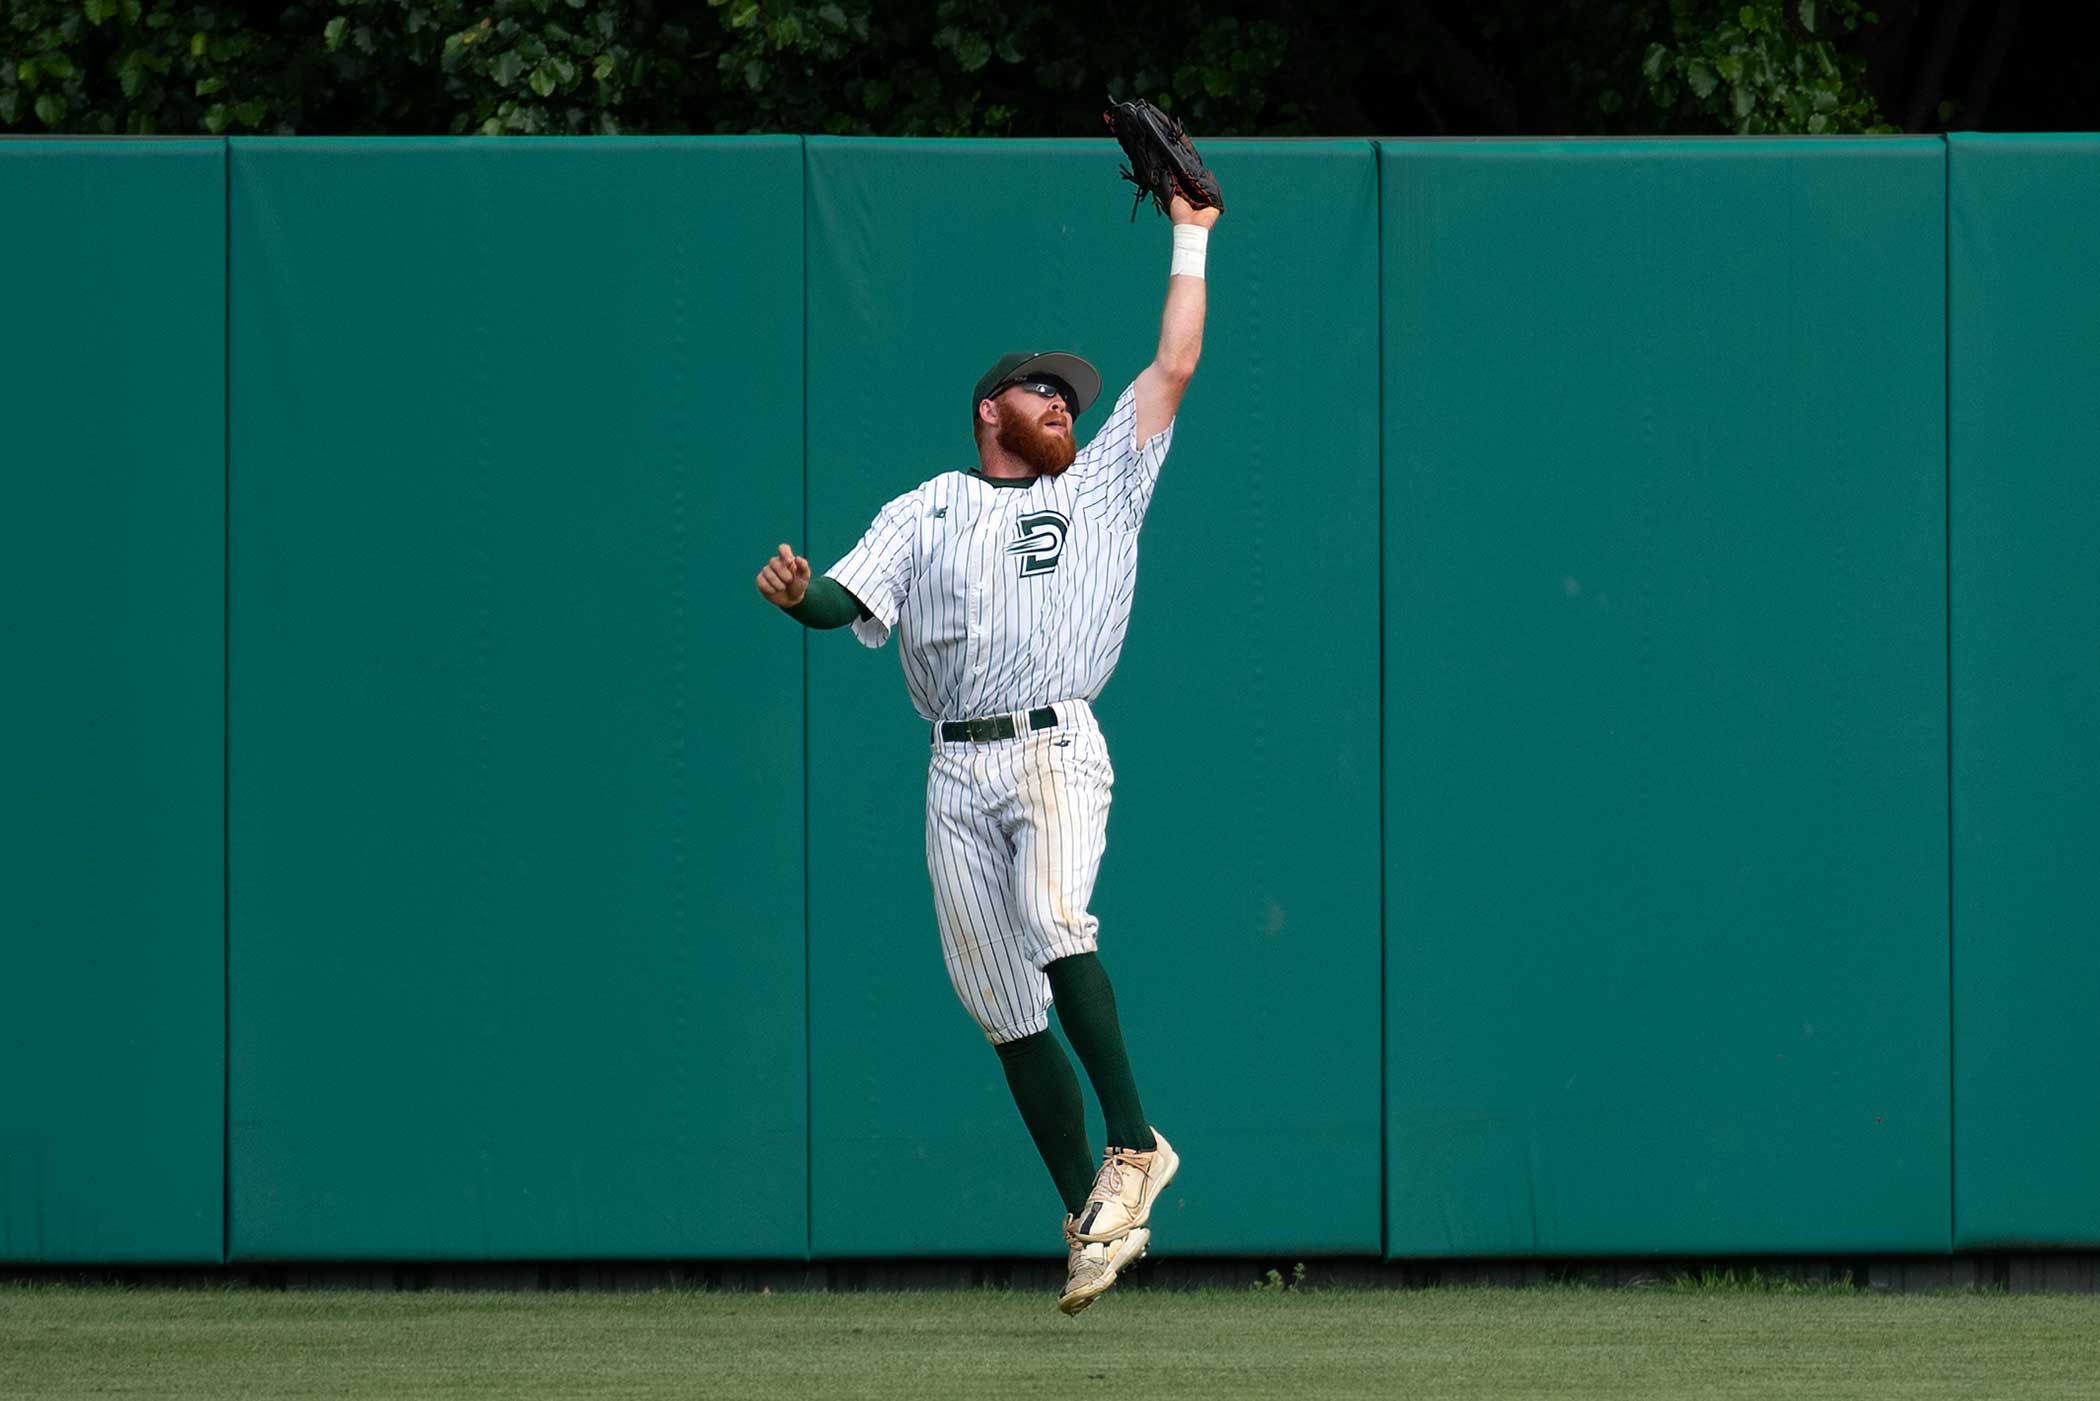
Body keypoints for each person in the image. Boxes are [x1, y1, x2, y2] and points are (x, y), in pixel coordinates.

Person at [755, 192, 1221, 1315]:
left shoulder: (1102, 486)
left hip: (1055, 743)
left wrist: (1191, 231)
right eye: (1040, 387)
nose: (1062, 400)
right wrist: (800, 594)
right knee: (1005, 1011)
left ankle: (1134, 1146)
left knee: (1058, 920)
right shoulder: (926, 509)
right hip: (955, 768)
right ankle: (1092, 1223)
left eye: (1069, 394)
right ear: (989, 409)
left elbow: (1173, 363)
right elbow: (846, 600)